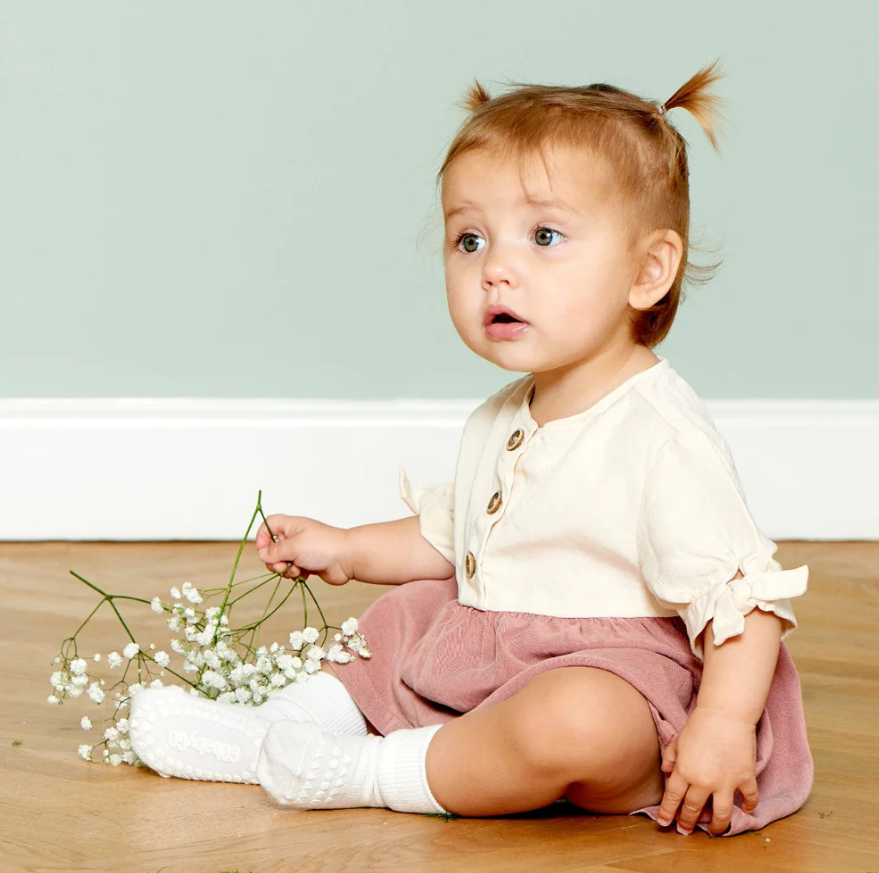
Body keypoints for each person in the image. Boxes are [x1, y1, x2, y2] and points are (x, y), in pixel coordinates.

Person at [129, 59, 813, 837]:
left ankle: (369, 770)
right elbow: (457, 535)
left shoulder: (660, 435)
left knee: (576, 720)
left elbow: (744, 602)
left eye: (544, 236)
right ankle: (276, 726)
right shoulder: (503, 414)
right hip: (500, 651)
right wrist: (346, 547)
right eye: (469, 240)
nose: (495, 270)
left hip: (624, 682)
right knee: (401, 616)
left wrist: (721, 723)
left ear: (647, 270)